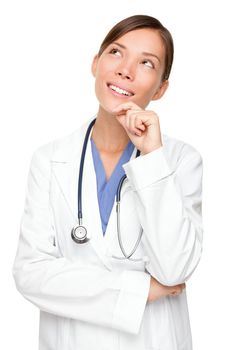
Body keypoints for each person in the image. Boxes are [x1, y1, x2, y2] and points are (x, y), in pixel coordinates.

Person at [13, 14, 203, 350]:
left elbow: (174, 270)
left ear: (161, 88)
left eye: (146, 62)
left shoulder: (180, 161)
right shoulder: (50, 160)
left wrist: (153, 158)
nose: (125, 69)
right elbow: (30, 274)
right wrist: (141, 290)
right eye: (116, 52)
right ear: (96, 63)